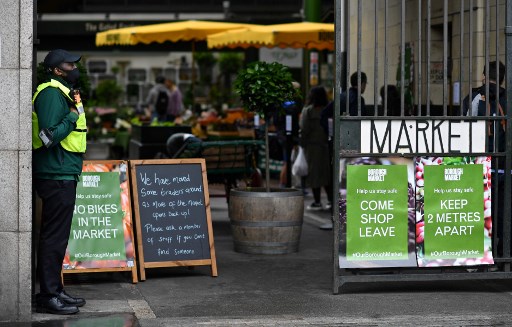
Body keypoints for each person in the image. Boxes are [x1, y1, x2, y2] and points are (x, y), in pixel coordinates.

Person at [32, 49, 87, 315]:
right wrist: (72, 117)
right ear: (56, 69)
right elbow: (47, 136)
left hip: (63, 172)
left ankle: (55, 289)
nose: (74, 67)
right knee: (54, 237)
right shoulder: (51, 94)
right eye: (69, 63)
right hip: (56, 174)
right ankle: (48, 295)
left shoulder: (62, 91)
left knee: (58, 236)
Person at [462, 60, 507, 255]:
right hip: (504, 164)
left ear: (483, 76)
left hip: (478, 164)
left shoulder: (472, 98)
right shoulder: (508, 99)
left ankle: (477, 255)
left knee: (476, 210)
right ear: (503, 79)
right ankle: (502, 255)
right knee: (502, 212)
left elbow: (462, 129)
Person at [300, 86, 333, 211]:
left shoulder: (308, 111)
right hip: (327, 146)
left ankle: (317, 202)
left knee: (314, 175)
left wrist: (301, 145)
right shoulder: (329, 108)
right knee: (327, 175)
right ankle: (330, 201)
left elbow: (304, 129)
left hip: (312, 147)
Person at [320, 71, 368, 137]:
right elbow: (358, 120)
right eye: (365, 83)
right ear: (361, 84)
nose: (365, 86)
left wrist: (332, 132)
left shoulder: (341, 96)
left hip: (339, 137)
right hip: (350, 138)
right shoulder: (358, 99)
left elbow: (324, 113)